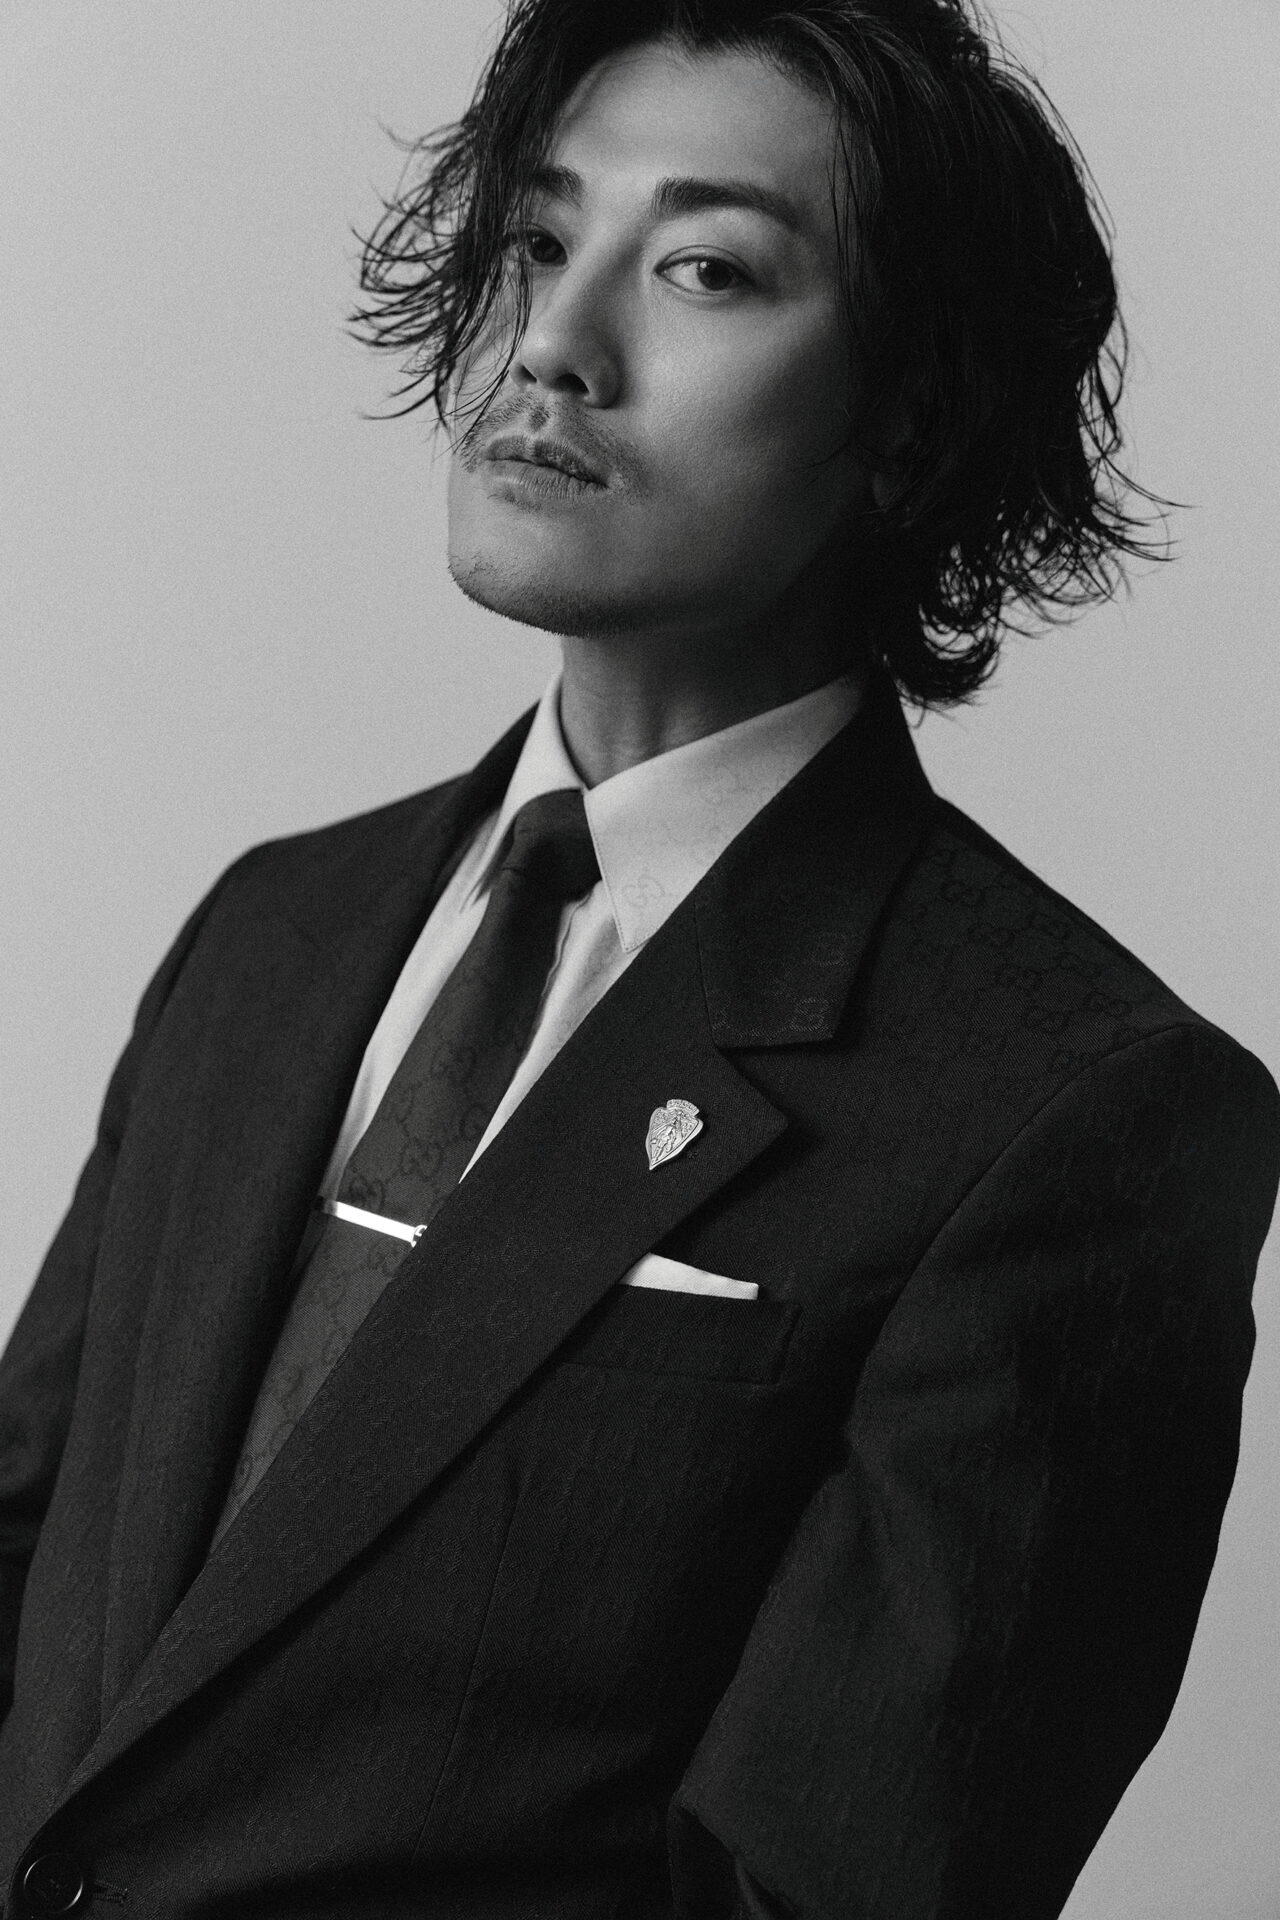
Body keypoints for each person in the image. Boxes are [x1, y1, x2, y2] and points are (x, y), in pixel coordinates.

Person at [1, 0, 1276, 1914]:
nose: (553, 342)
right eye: (538, 237)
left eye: (706, 269)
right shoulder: (270, 934)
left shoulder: (1080, 1113)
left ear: (911, 415)